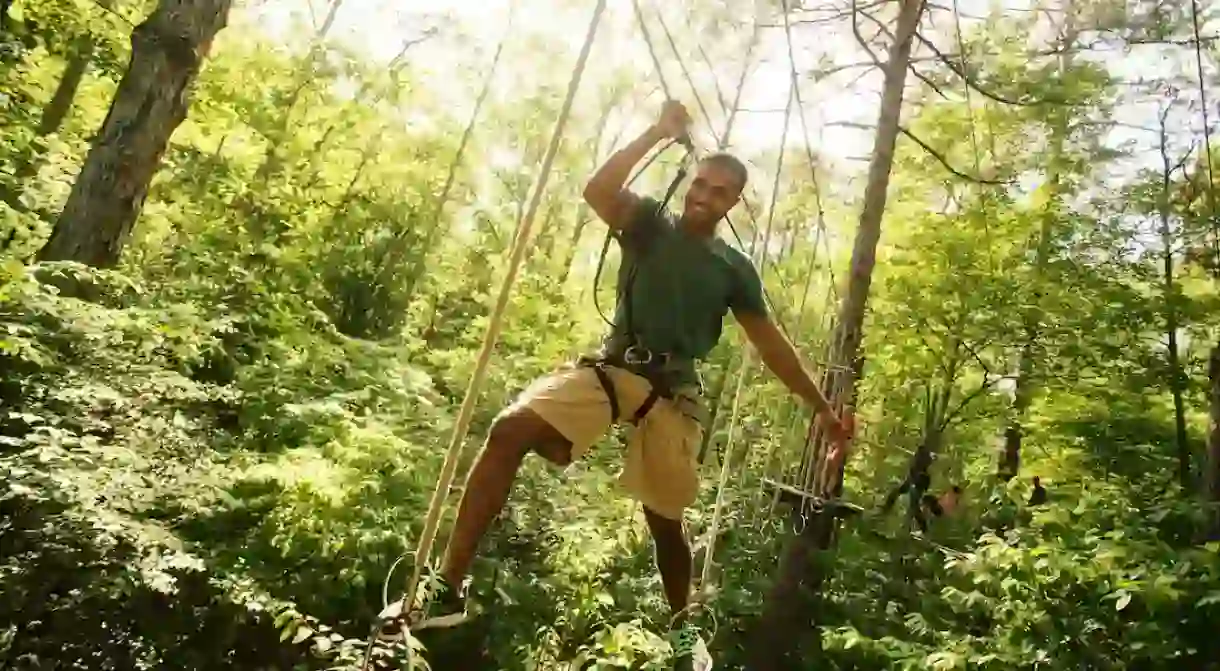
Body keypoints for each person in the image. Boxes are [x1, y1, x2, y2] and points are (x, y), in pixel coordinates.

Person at [380, 100, 853, 666]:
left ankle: (682, 626)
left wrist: (821, 409)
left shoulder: (732, 267)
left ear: (733, 202)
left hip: (673, 392)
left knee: (665, 522)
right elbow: (598, 189)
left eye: (720, 191)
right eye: (700, 183)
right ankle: (449, 587)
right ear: (691, 182)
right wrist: (657, 132)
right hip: (613, 369)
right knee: (509, 429)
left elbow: (771, 345)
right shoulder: (651, 224)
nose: (704, 195)